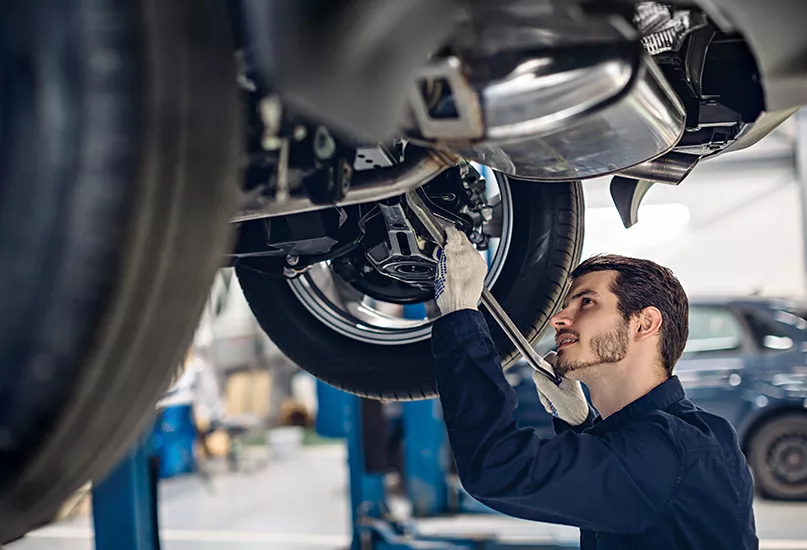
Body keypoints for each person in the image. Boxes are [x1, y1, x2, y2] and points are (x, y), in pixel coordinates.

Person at [431, 226, 758, 550]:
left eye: (586, 302)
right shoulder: (683, 437)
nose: (558, 318)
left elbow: (497, 468)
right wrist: (580, 425)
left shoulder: (668, 450)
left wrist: (461, 315)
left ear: (644, 324)